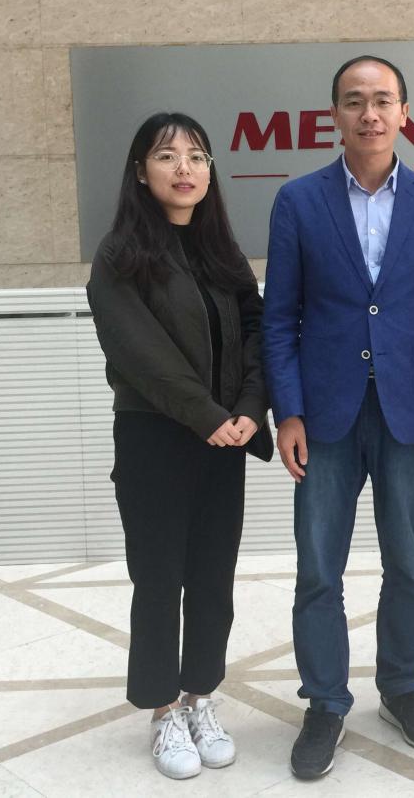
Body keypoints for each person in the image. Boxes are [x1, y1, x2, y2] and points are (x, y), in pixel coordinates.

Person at [262, 55, 414, 780]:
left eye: (383, 100)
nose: (370, 114)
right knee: (318, 568)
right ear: (335, 115)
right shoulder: (298, 200)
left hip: (409, 412)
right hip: (324, 416)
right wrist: (287, 411)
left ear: (405, 113)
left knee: (408, 563)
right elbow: (279, 318)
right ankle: (325, 702)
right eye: (355, 101)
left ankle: (401, 687)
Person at [86, 112, 272, 780]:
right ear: (141, 172)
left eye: (196, 155)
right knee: (161, 578)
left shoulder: (222, 252)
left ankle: (200, 697)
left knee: (214, 578)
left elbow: (258, 331)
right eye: (167, 156)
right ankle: (163, 708)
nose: (184, 168)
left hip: (224, 438)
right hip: (155, 439)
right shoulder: (120, 256)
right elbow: (140, 353)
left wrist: (248, 408)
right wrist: (205, 414)